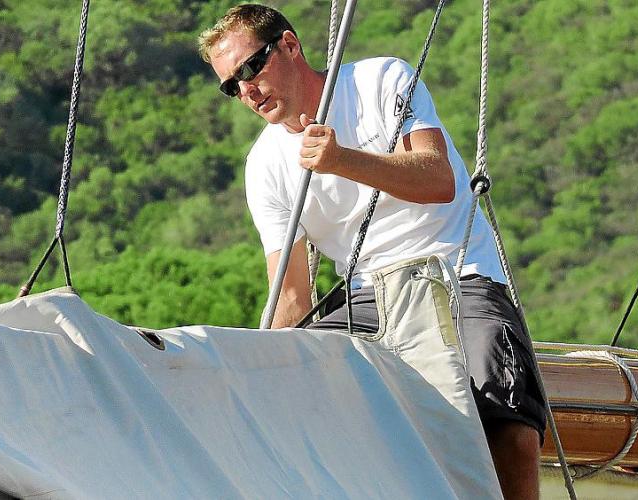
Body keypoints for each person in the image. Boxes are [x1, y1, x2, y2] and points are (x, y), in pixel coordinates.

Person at [199, 4, 545, 498]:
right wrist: (259, 376)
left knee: (501, 405)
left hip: (457, 272)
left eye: (251, 68)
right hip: (368, 299)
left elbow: (438, 178)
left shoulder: (380, 80)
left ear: (290, 46)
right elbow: (291, 296)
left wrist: (341, 160)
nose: (247, 91)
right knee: (299, 397)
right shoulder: (264, 166)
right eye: (232, 86)